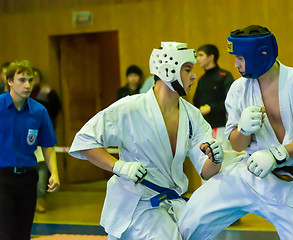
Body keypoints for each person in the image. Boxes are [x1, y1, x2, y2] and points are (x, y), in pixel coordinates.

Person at [178, 25, 293, 240]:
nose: (236, 64)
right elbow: (237, 145)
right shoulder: (238, 89)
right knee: (190, 219)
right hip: (248, 175)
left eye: (240, 57)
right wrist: (243, 130)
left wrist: (276, 154)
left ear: (261, 54)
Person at [69, 42, 223, 240]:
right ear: (169, 71)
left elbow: (206, 171)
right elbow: (84, 141)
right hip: (136, 203)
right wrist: (119, 167)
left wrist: (215, 159)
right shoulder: (130, 108)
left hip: (171, 203)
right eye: (187, 69)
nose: (194, 75)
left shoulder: (192, 116)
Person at [0, 60, 60, 240]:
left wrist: (54, 174)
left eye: (30, 80)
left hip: (27, 179)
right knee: (6, 231)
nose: (27, 85)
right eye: (22, 80)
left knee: (23, 232)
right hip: (2, 178)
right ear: (9, 81)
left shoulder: (39, 111)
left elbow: (48, 146)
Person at [193, 44, 237, 168]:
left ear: (211, 57)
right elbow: (196, 103)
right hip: (205, 130)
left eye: (201, 55)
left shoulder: (224, 76)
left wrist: (211, 108)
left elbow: (232, 102)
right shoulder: (201, 80)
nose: (198, 59)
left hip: (222, 128)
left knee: (225, 164)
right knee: (206, 164)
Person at [30, 68, 62, 213]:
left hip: (42, 134)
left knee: (42, 169)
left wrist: (54, 174)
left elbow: (57, 107)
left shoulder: (47, 92)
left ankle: (40, 198)